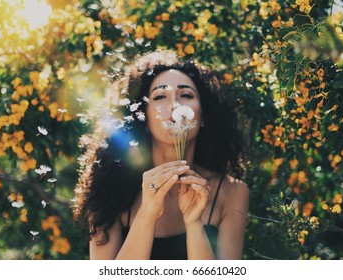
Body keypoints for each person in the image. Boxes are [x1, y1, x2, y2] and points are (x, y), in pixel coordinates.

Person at [73, 50, 249, 260]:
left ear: (203, 116)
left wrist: (193, 223)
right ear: (144, 118)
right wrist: (147, 214)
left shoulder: (232, 192)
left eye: (186, 95)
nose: (175, 106)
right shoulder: (108, 188)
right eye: (159, 97)